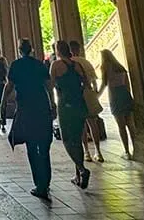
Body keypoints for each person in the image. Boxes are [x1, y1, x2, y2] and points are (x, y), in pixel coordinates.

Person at [7, 38, 55, 201]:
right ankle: (46, 182)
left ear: (19, 50)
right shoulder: (39, 65)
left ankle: (39, 184)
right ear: (32, 49)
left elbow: (9, 86)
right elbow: (49, 86)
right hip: (41, 107)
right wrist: (53, 104)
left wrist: (2, 107)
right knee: (44, 146)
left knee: (32, 146)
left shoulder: (16, 65)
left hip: (26, 109)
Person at [52, 41, 92, 190]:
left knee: (67, 139)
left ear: (58, 50)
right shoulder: (77, 65)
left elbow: (51, 85)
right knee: (77, 139)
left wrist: (52, 102)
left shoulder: (56, 65)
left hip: (65, 105)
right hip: (79, 104)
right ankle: (78, 175)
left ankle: (82, 169)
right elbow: (87, 84)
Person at [68, 41, 104, 162]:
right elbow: (94, 82)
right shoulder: (86, 62)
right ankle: (98, 151)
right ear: (79, 49)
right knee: (93, 124)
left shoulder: (70, 63)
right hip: (88, 94)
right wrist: (94, 93)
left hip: (77, 96)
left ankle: (87, 152)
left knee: (81, 125)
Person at [98, 49, 136, 158]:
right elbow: (127, 85)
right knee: (130, 125)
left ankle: (126, 151)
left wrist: (97, 96)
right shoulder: (121, 67)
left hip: (115, 96)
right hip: (125, 95)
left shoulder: (105, 66)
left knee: (121, 126)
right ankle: (135, 148)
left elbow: (104, 84)